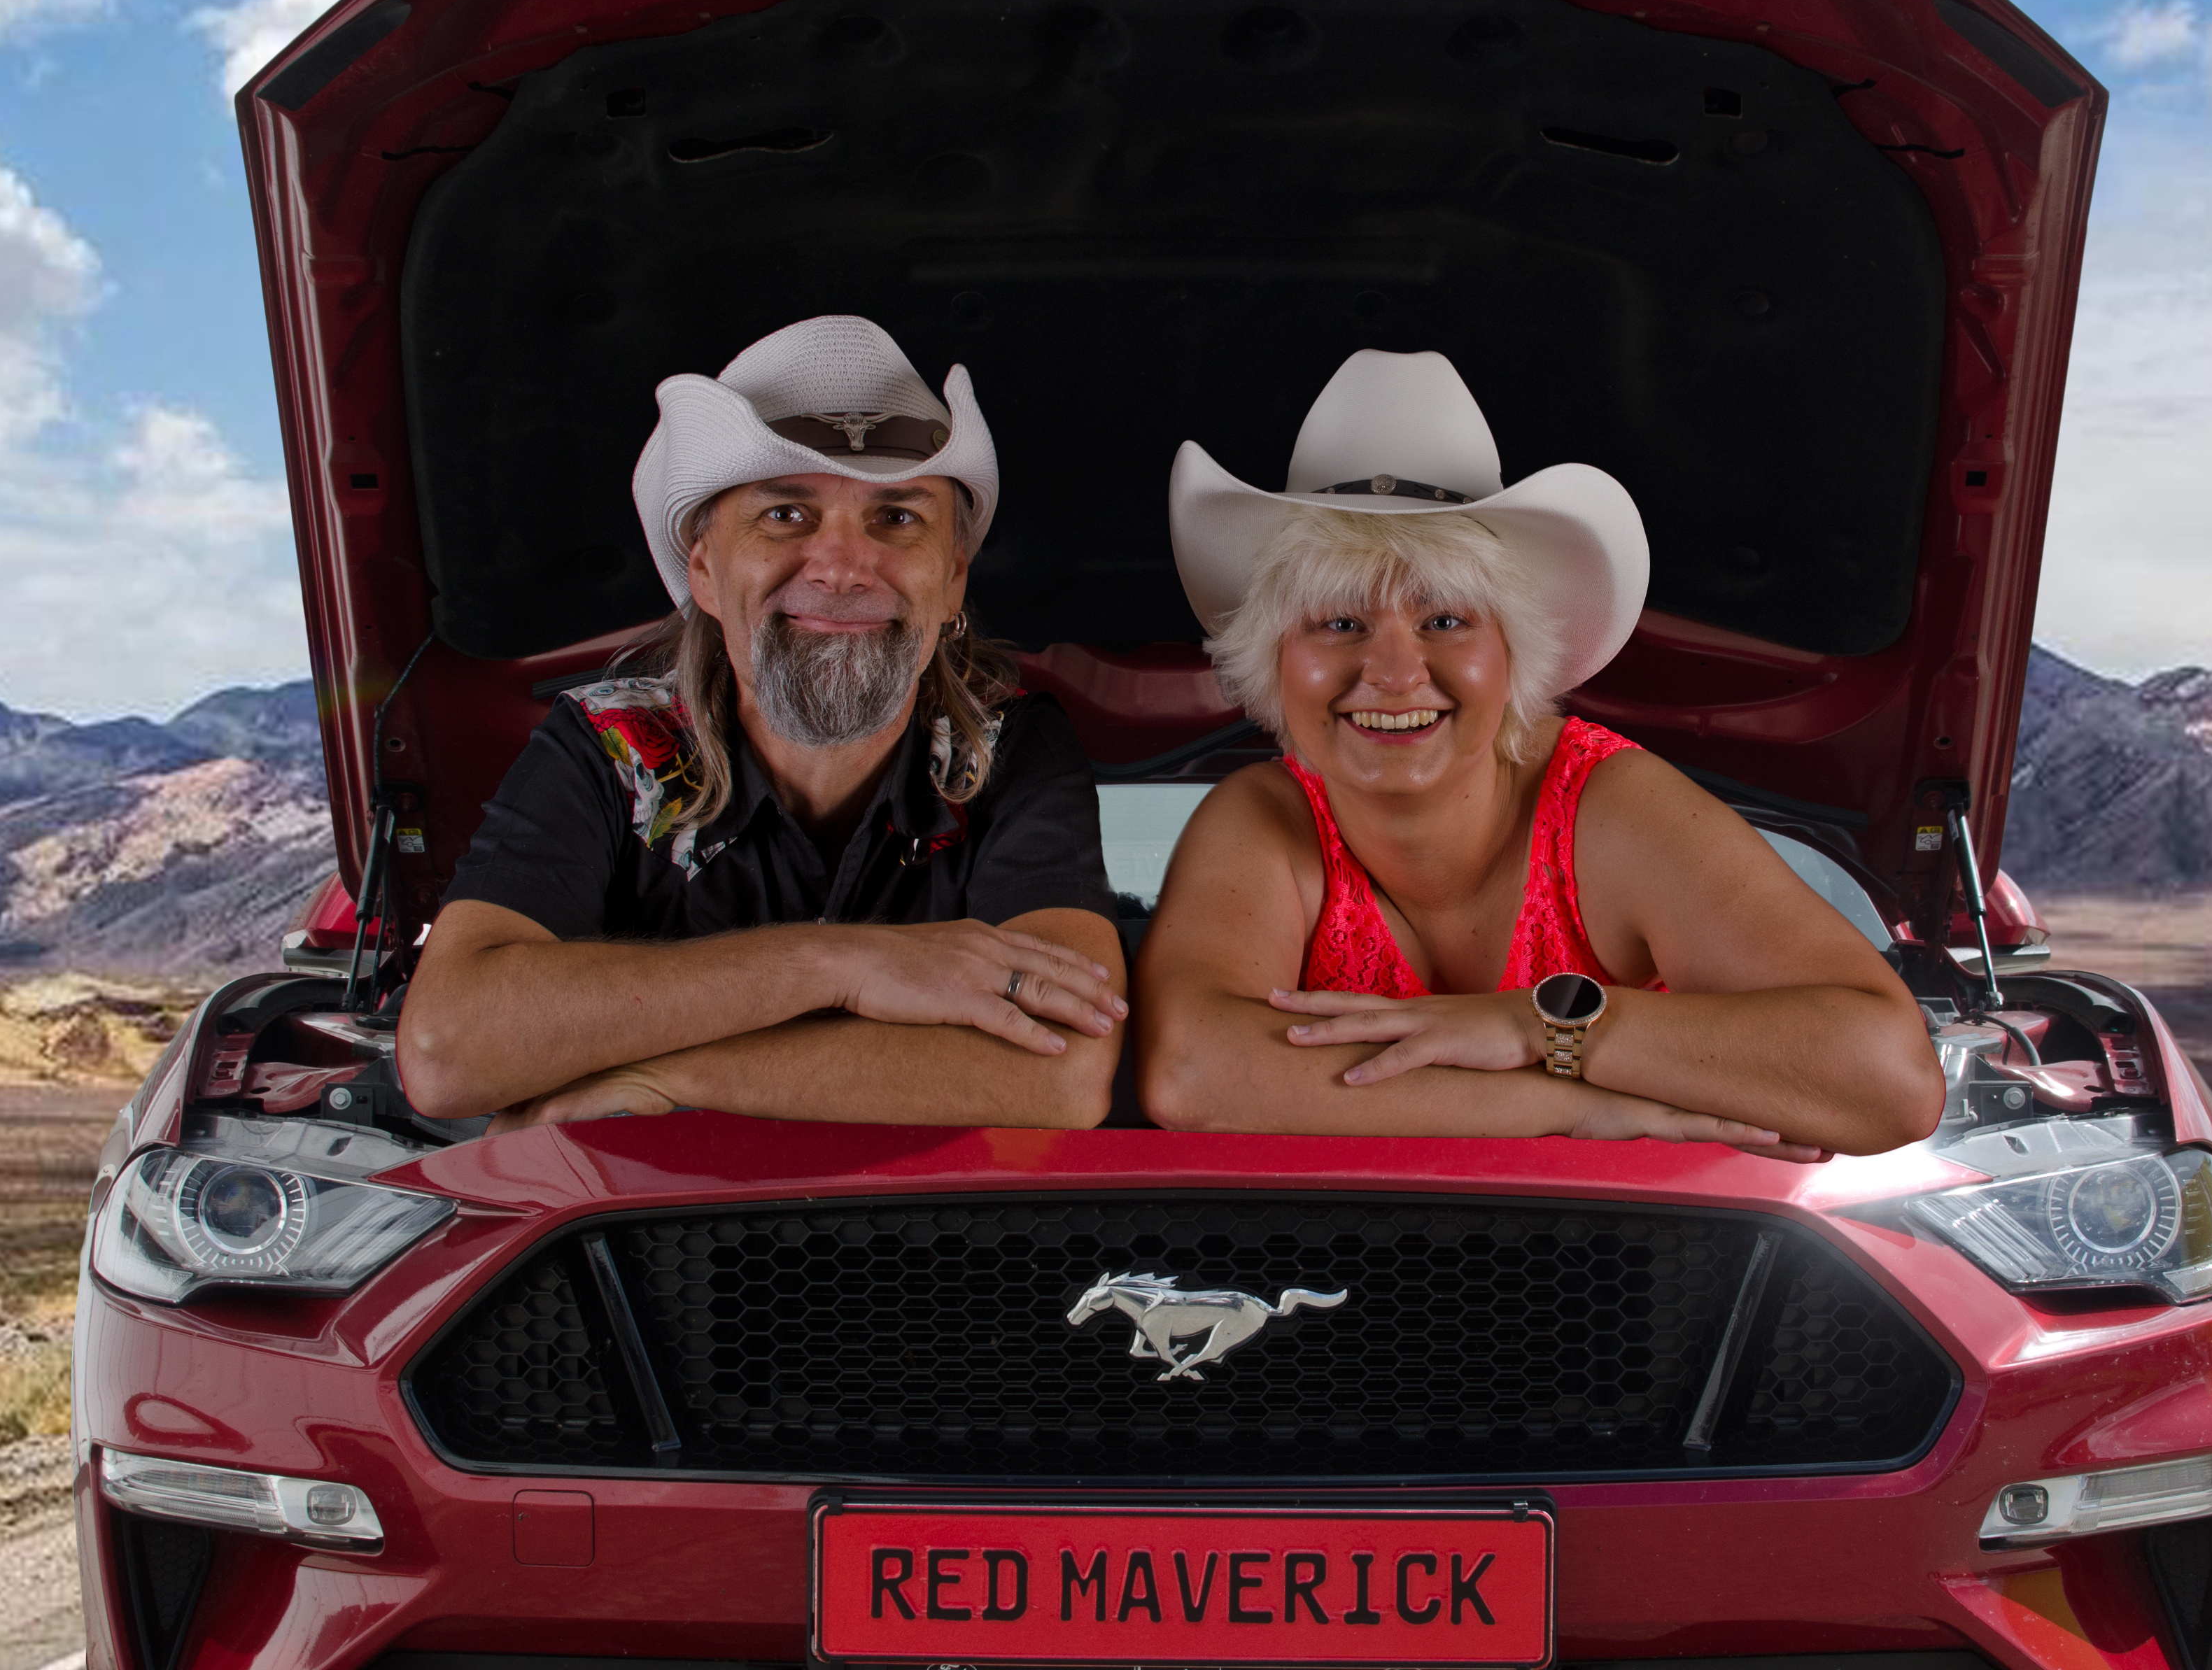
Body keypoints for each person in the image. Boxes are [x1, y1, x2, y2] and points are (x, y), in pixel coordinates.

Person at [1133, 350, 1945, 1154]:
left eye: (1444, 620)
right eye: (1339, 622)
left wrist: (1537, 1023)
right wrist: (1576, 1106)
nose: (1393, 673)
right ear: (1274, 657)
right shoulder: (1265, 817)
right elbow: (1193, 1074)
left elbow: (1888, 1081)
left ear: (1512, 653)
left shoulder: (1608, 805)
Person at [398, 316, 1127, 1128]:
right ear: (704, 568)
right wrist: (840, 965)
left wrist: (660, 1075)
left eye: (896, 519)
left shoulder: (1011, 748)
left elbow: (1061, 1074)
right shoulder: (604, 748)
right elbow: (445, 1051)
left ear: (952, 577)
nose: (842, 569)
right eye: (784, 514)